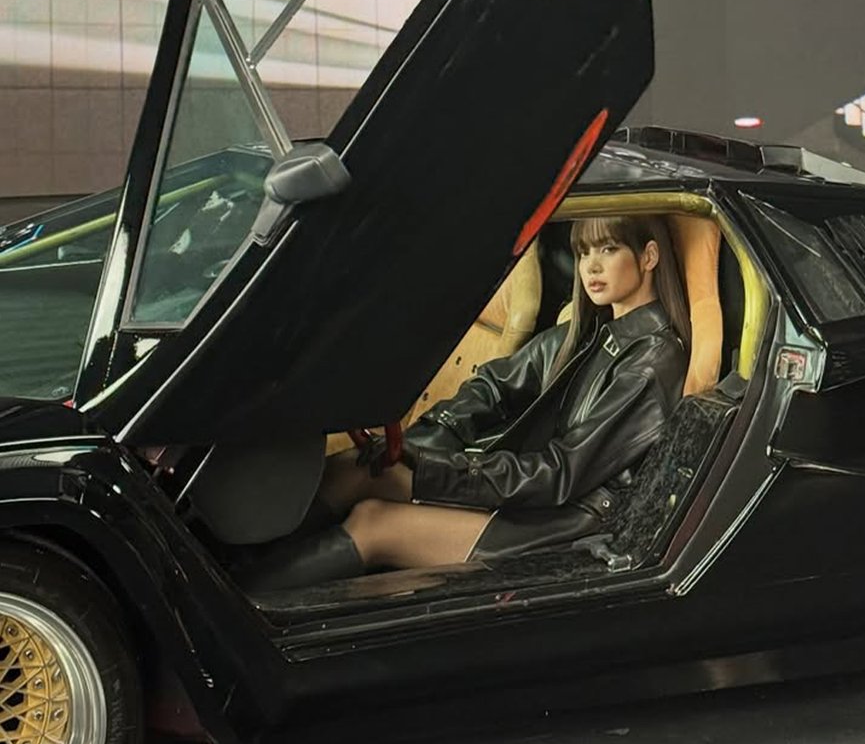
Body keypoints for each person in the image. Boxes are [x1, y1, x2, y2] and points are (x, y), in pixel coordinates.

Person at [238, 215, 690, 590]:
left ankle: (244, 602)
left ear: (648, 257)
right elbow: (494, 384)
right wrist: (435, 436)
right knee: (364, 467)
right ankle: (235, 564)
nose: (591, 266)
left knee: (372, 523)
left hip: (566, 520)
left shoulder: (651, 360)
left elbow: (561, 474)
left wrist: (433, 466)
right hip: (532, 491)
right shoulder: (589, 333)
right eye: (583, 252)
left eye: (608, 249)